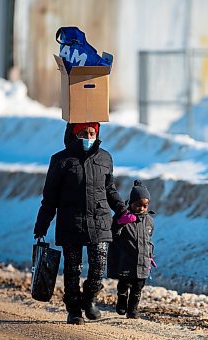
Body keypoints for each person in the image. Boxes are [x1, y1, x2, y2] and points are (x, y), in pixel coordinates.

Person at [34, 122, 127, 325]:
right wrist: (42, 224)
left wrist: (121, 209)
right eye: (84, 132)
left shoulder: (105, 158)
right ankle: (74, 309)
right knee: (73, 268)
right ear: (75, 134)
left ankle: (90, 299)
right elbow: (50, 197)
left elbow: (109, 189)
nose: (89, 136)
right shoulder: (60, 160)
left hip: (100, 221)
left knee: (98, 266)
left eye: (92, 132)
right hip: (71, 221)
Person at [107, 180, 155, 319]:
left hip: (143, 262)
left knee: (138, 287)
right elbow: (113, 234)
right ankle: (122, 301)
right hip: (126, 261)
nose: (141, 209)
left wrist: (150, 255)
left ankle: (133, 310)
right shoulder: (122, 217)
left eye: (145, 206)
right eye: (138, 205)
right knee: (124, 285)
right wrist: (120, 223)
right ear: (131, 203)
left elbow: (148, 240)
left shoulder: (149, 221)